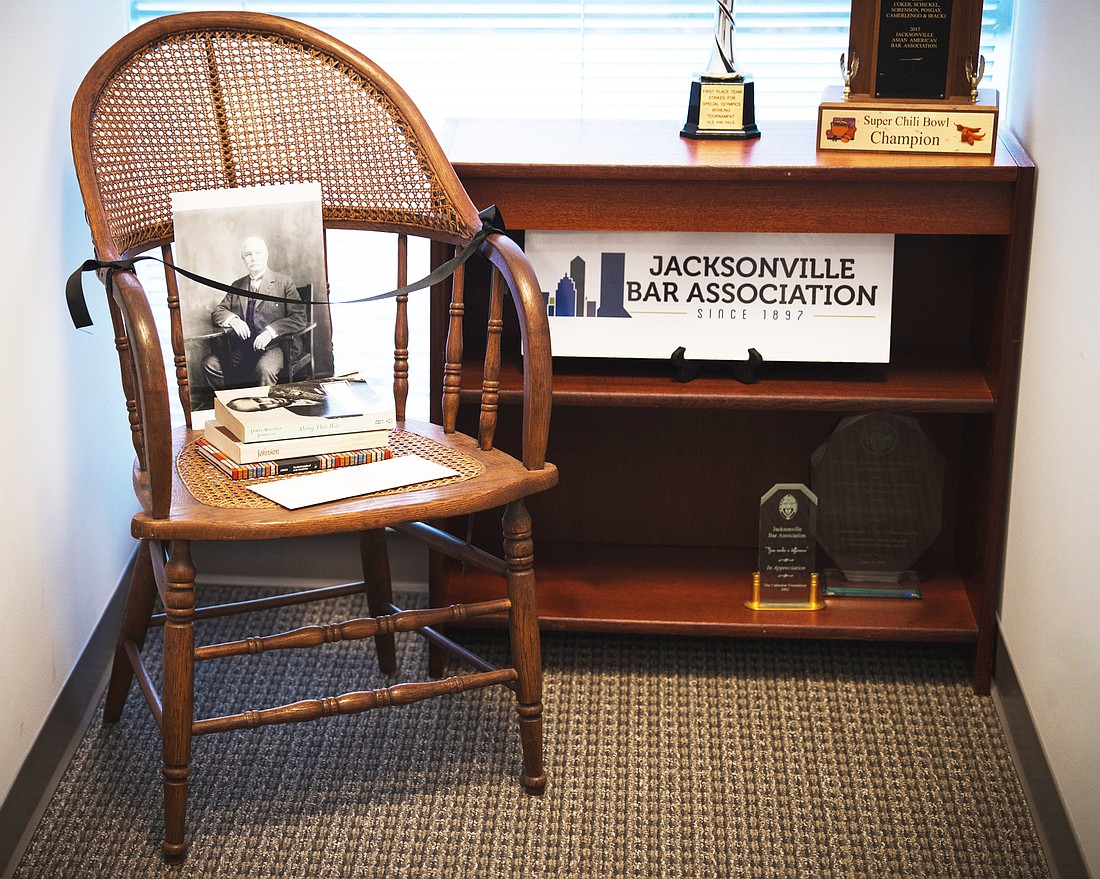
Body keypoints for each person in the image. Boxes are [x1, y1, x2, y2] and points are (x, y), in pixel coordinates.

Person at [202, 235, 309, 388]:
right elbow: (219, 311)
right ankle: (230, 405)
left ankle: (264, 409)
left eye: (258, 253)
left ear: (266, 255)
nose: (254, 258)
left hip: (277, 346)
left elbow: (298, 317)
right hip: (243, 347)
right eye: (248, 254)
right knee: (211, 364)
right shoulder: (237, 285)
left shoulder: (284, 283)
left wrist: (270, 332)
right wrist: (234, 320)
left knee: (264, 369)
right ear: (243, 259)